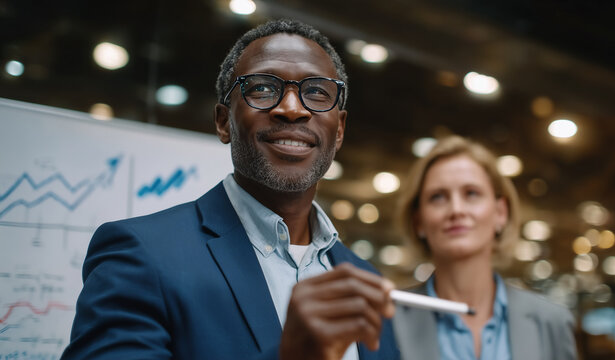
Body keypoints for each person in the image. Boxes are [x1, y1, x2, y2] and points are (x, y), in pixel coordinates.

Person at [61, 19, 399, 360]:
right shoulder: (141, 254)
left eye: (316, 92)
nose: (293, 109)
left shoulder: (367, 281)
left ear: (339, 130)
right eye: (263, 88)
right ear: (224, 121)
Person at [393, 135, 577, 360]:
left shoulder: (550, 322)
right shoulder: (387, 320)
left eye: (471, 193)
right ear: (418, 221)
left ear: (500, 212)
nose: (456, 210)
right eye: (438, 197)